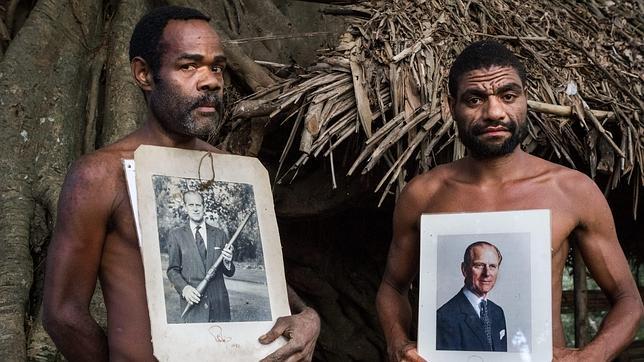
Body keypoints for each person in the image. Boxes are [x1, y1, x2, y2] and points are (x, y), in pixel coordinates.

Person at [42, 6, 319, 361]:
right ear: (144, 74)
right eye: (188, 66)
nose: (211, 80)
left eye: (216, 66)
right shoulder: (101, 175)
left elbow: (275, 293)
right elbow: (63, 314)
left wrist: (308, 316)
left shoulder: (235, 172)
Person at [376, 40, 643, 362]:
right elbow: (392, 286)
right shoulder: (423, 194)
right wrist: (397, 344)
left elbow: (628, 298)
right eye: (475, 99)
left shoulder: (571, 191)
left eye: (508, 96)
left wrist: (592, 356)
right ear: (451, 106)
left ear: (525, 98)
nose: (494, 112)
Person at [167, 191, 235, 323]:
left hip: (219, 305)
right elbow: (172, 270)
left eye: (198, 204)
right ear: (186, 207)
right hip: (193, 304)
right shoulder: (176, 235)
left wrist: (227, 261)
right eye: (191, 205)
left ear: (204, 207)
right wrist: (184, 289)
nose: (195, 208)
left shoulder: (219, 234)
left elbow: (229, 271)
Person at [436, 241, 506, 352]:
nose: (487, 273)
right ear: (464, 269)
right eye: (479, 265)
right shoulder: (444, 317)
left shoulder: (497, 312)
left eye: (492, 266)